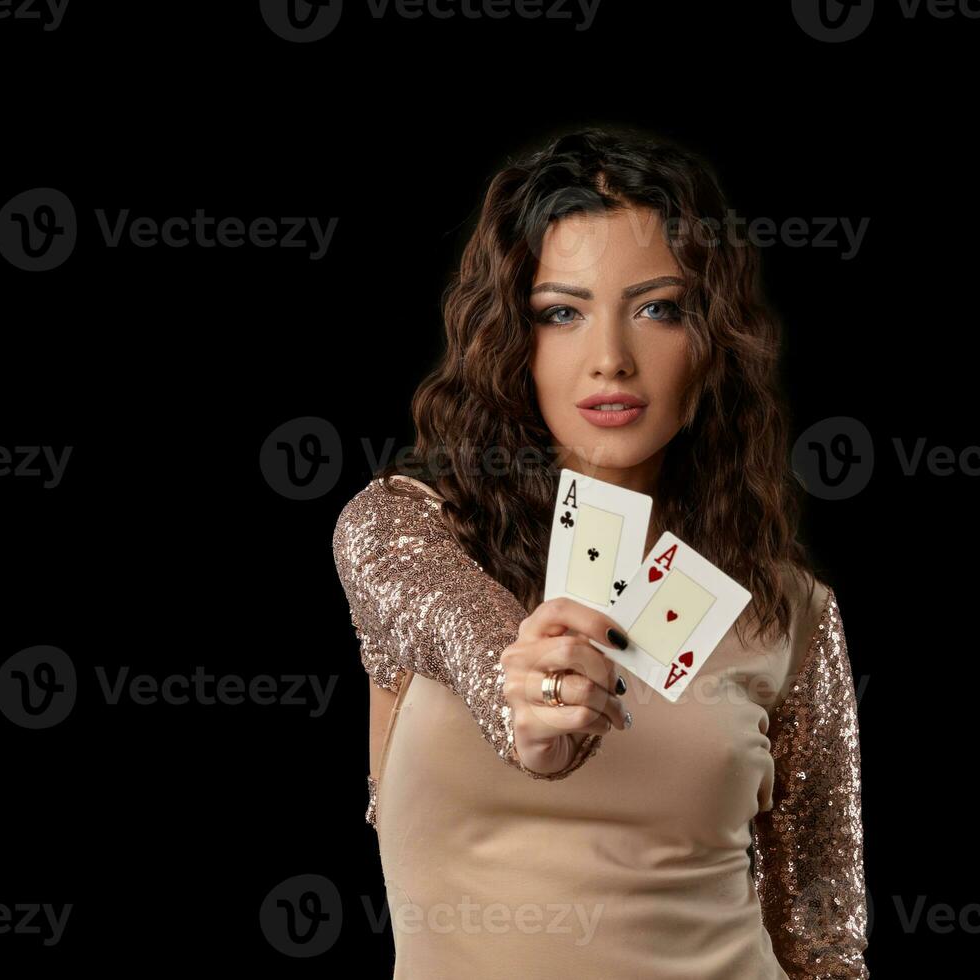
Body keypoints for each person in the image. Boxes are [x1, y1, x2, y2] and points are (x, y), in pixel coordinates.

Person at [332, 127, 868, 979]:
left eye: (658, 308)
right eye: (562, 312)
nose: (610, 360)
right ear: (513, 336)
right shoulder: (404, 535)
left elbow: (823, 933)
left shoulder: (789, 611)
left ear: (712, 343)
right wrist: (529, 712)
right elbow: (471, 639)